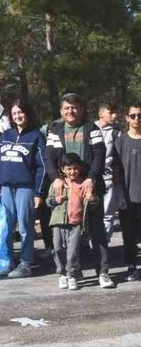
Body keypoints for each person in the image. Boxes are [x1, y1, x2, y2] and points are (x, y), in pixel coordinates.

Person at [44, 93, 113, 288]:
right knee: (65, 236)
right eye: (66, 108)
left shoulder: (92, 128)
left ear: (81, 109)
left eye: (74, 107)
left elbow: (100, 154)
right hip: (66, 190)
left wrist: (91, 178)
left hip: (89, 188)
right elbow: (49, 158)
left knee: (97, 231)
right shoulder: (55, 131)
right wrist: (55, 179)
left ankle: (103, 272)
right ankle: (71, 272)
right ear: (61, 111)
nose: (70, 111)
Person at [0, 99, 47, 279]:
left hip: (26, 187)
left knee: (25, 226)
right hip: (6, 188)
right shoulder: (5, 135)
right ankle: (8, 261)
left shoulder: (36, 136)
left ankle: (26, 263)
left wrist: (39, 192)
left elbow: (42, 167)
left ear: (27, 113)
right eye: (14, 113)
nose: (18, 116)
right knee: (6, 226)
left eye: (20, 112)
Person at [47, 153, 101, 291]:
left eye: (76, 168)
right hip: (58, 222)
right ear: (63, 169)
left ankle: (72, 275)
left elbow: (94, 206)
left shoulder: (84, 184)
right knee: (58, 248)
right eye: (69, 169)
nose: (73, 172)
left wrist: (92, 198)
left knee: (73, 251)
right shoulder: (58, 184)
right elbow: (49, 201)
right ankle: (62, 274)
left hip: (76, 222)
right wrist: (55, 201)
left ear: (81, 168)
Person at [113, 102, 141, 282]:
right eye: (133, 115)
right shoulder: (120, 141)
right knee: (129, 235)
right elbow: (116, 170)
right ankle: (132, 266)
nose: (137, 118)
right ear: (127, 118)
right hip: (128, 196)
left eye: (140, 115)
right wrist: (118, 193)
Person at [95, 102, 123, 242]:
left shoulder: (116, 132)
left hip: (108, 176)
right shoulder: (90, 129)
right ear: (101, 114)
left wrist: (117, 183)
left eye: (115, 112)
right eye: (110, 112)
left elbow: (117, 159)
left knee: (107, 213)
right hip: (91, 176)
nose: (114, 115)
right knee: (89, 212)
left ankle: (104, 244)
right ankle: (85, 245)